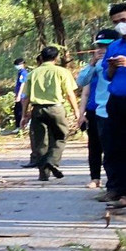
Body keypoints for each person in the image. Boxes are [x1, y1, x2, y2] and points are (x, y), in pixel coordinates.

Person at [23, 46, 80, 181]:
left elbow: (26, 97)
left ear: (41, 58)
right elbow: (69, 94)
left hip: (37, 110)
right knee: (60, 136)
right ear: (56, 58)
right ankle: (52, 161)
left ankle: (43, 174)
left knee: (41, 141)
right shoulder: (62, 72)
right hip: (56, 108)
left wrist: (24, 115)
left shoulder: (33, 74)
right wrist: (76, 111)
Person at [79, 29, 115, 191]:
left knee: (113, 149)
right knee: (95, 146)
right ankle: (96, 178)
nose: (102, 49)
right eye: (99, 45)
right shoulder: (97, 65)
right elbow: (82, 84)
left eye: (106, 46)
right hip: (97, 110)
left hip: (117, 108)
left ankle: (115, 184)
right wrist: (92, 63)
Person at [101, 3, 126, 207]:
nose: (120, 25)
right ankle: (115, 188)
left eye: (124, 20)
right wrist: (111, 67)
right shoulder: (114, 46)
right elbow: (107, 76)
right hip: (116, 101)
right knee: (113, 147)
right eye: (116, 22)